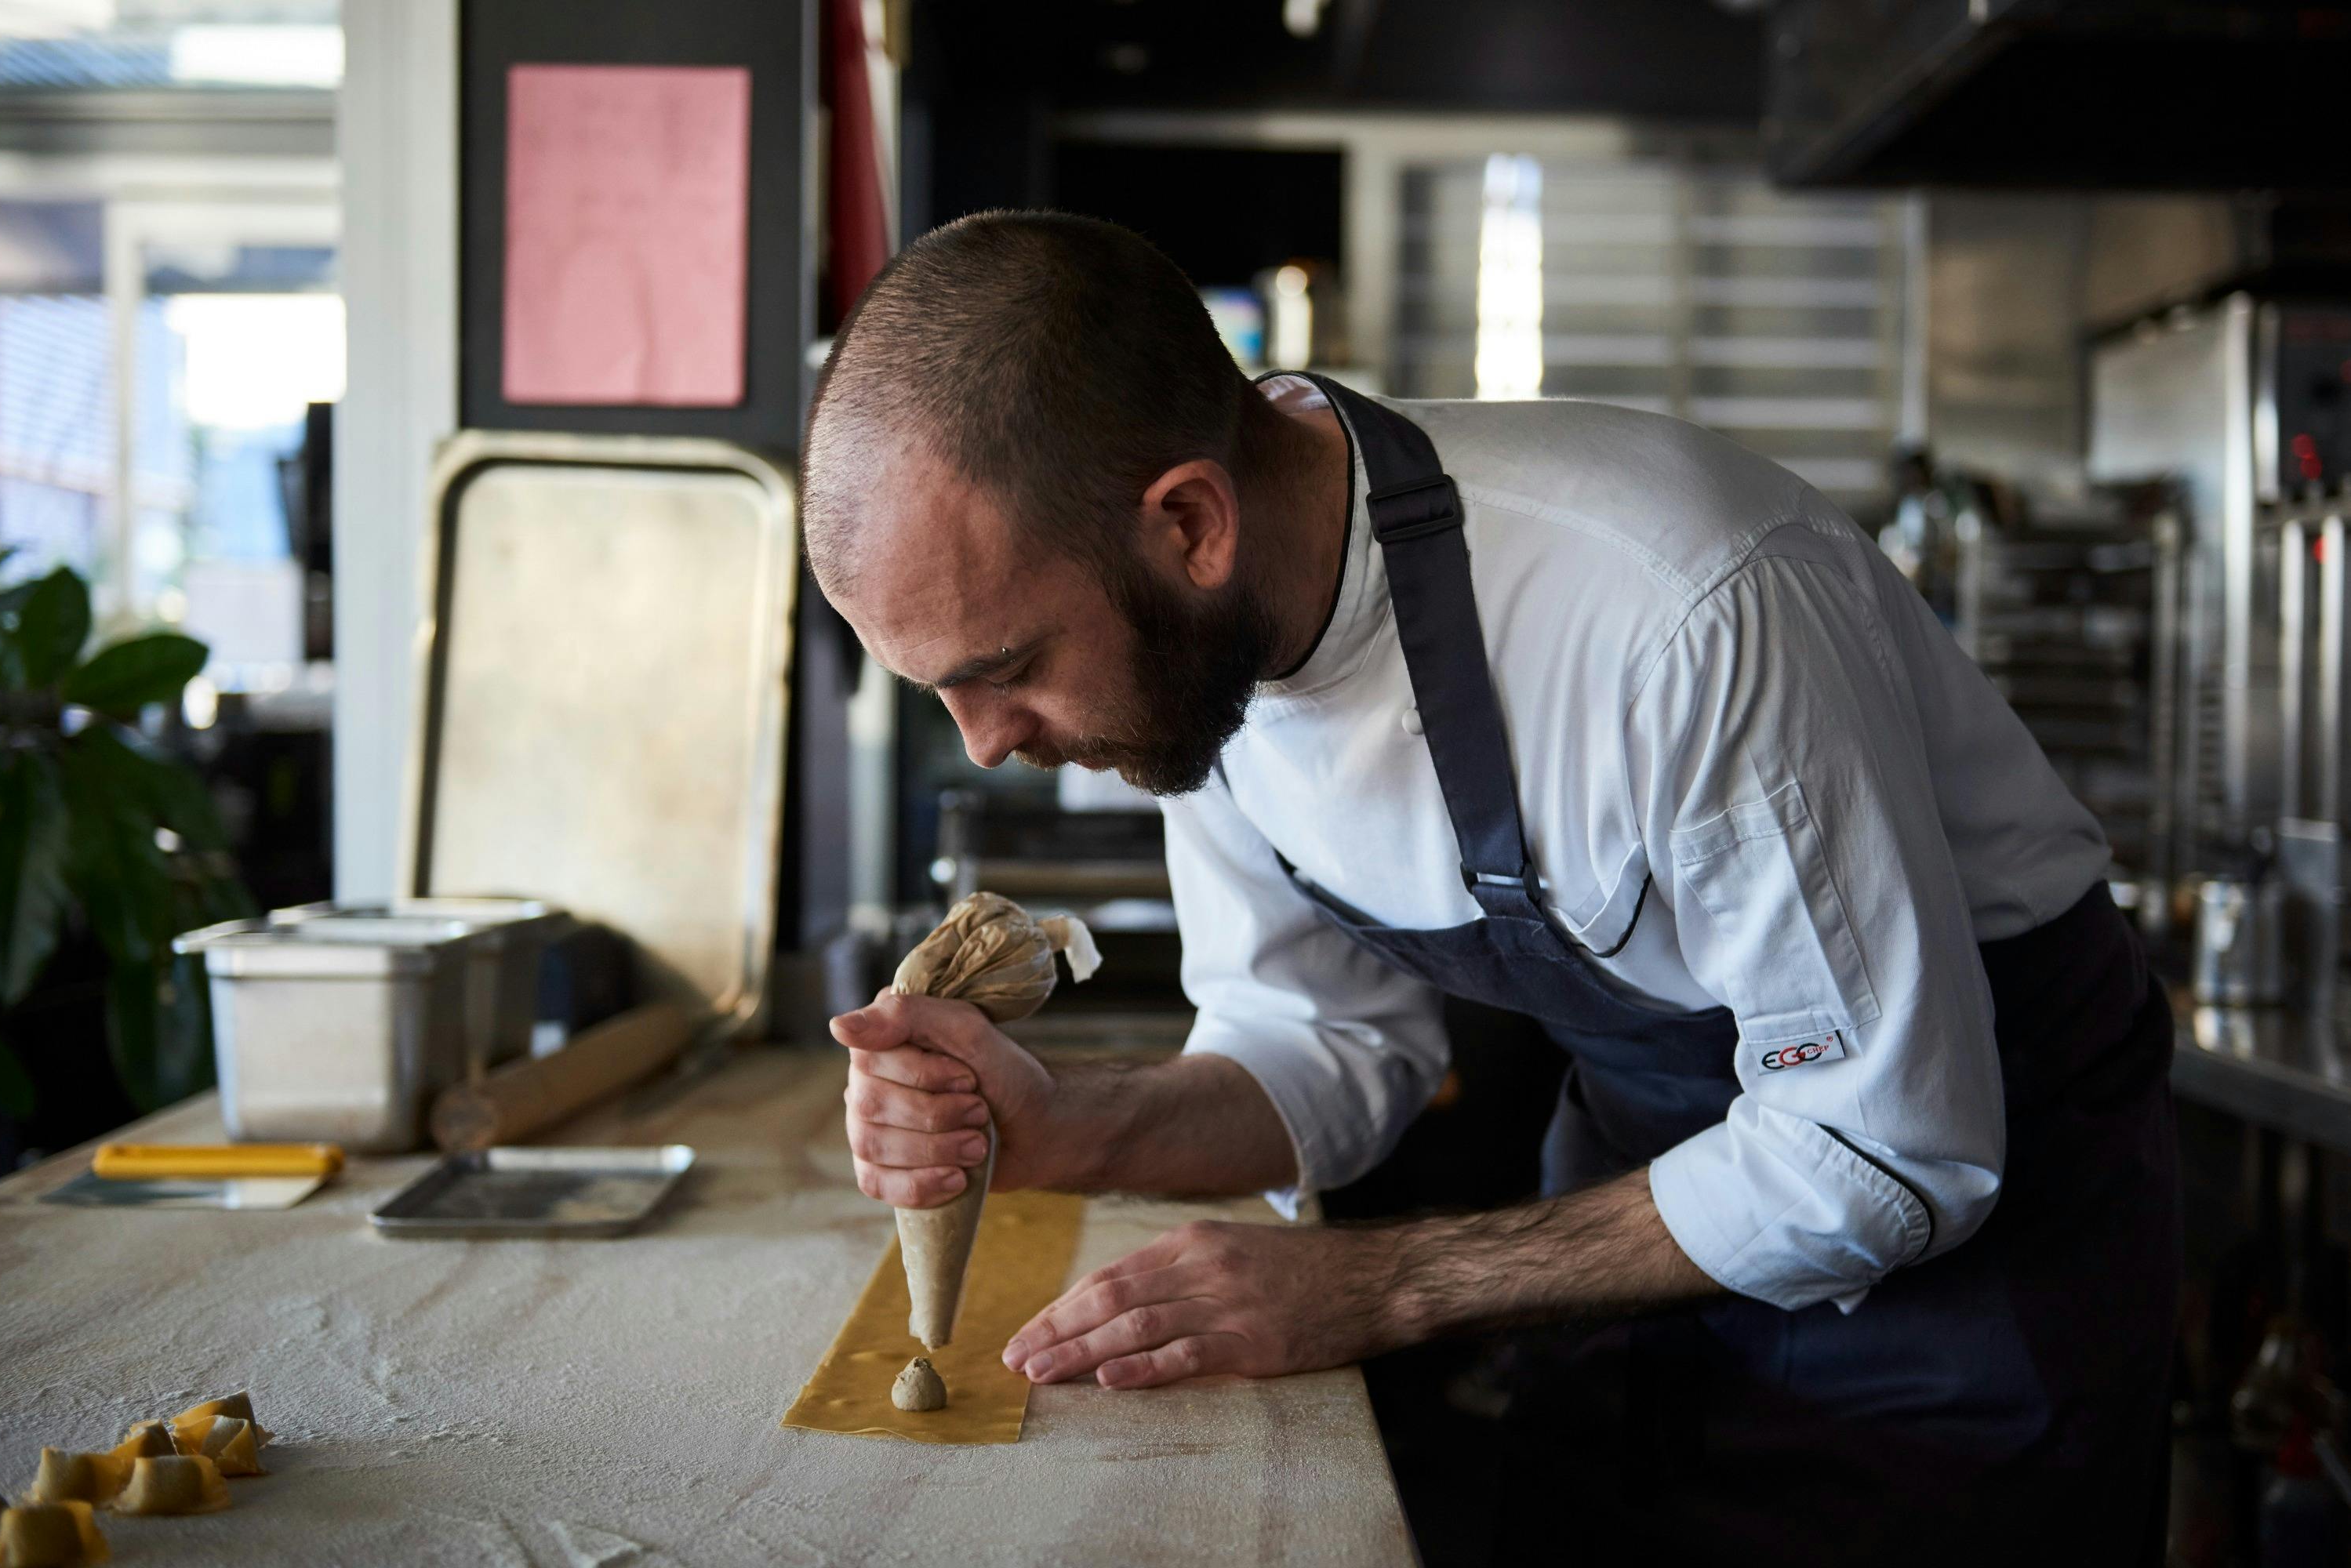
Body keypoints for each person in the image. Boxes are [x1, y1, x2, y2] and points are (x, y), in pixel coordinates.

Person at [804, 211, 2178, 1562]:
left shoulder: (1677, 610)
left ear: (1191, 525)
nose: (990, 741)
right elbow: (1329, 1049)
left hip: (1963, 1309)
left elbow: (1886, 1145)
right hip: (1631, 1254)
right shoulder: (1196, 661)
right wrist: (1070, 1129)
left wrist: (1383, 1284)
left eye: (1008, 666)